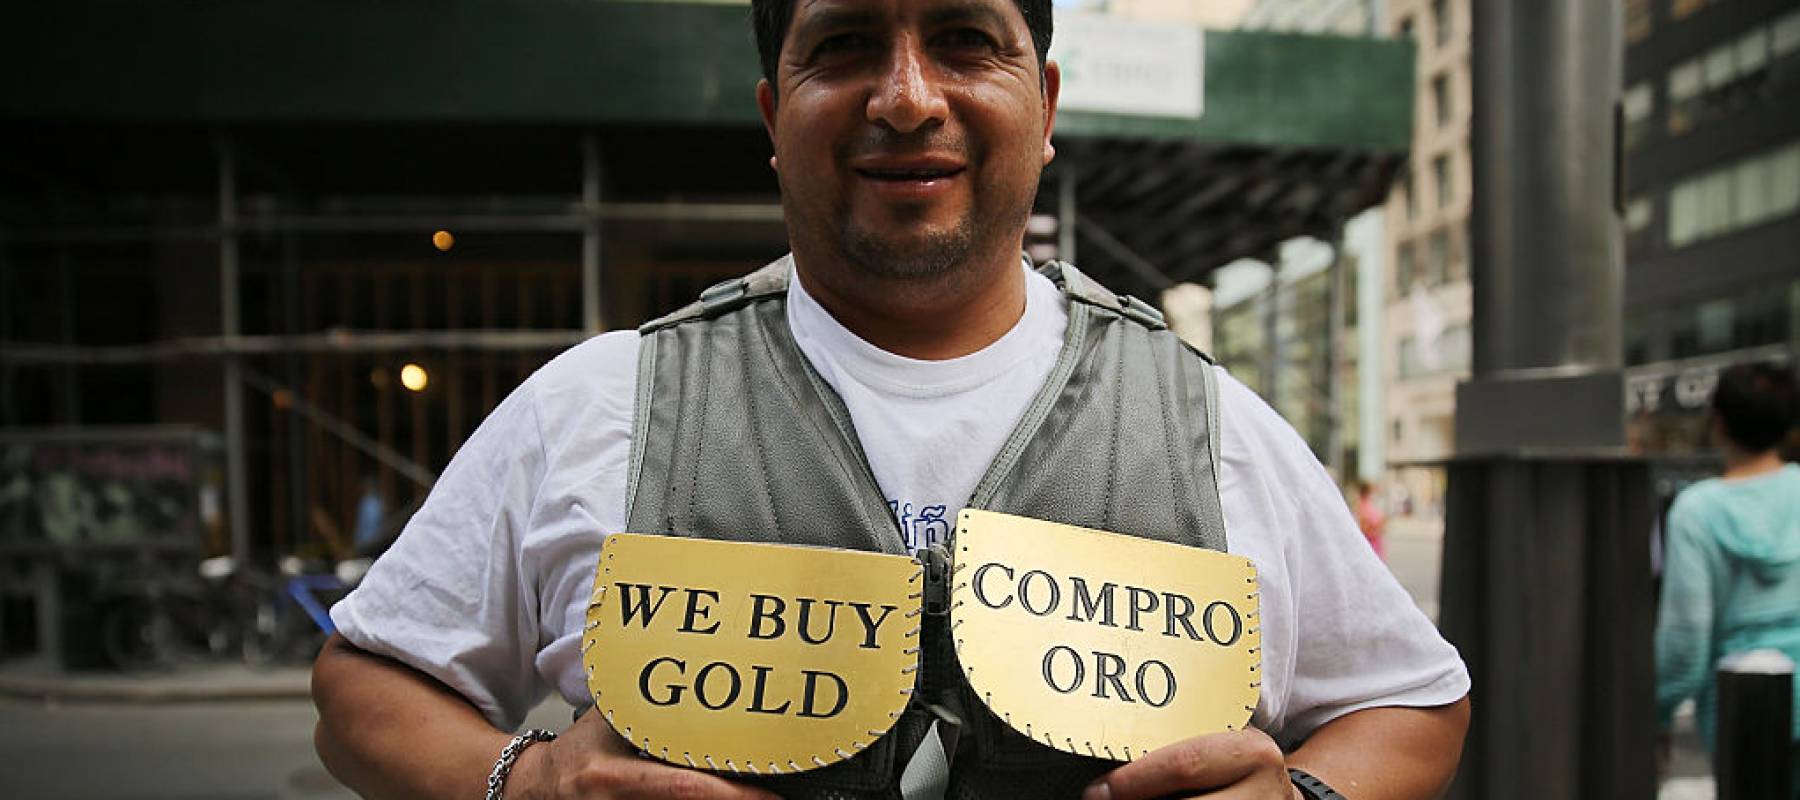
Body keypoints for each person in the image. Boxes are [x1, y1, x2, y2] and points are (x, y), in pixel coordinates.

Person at [310, 0, 1472, 797]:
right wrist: (522, 780)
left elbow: (1415, 700)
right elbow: (364, 680)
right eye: (848, 44)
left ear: (1047, 102)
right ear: (775, 116)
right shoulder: (600, 402)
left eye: (966, 40)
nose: (908, 97)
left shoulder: (1209, 423)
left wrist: (1309, 789)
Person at [1655, 362, 1800, 793]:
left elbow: (1686, 638)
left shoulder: (1697, 511)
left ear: (1717, 424)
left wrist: (1660, 711)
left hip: (1741, 715)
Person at [1354, 481, 1386, 562]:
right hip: (1371, 542)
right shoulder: (1363, 506)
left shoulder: (1368, 504)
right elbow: (1365, 528)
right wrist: (1376, 530)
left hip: (1374, 541)